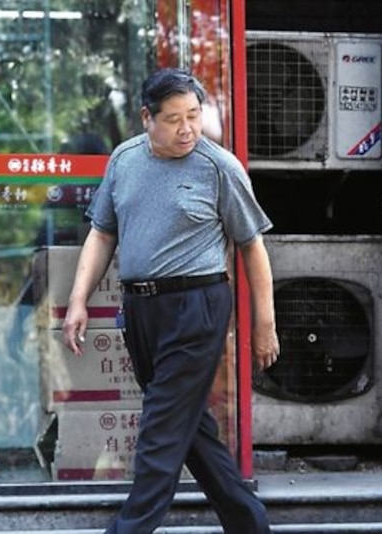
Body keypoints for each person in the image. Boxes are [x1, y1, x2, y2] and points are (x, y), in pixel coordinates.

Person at [62, 68, 278, 534]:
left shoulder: (219, 167)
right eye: (175, 119)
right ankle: (249, 524)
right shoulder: (124, 160)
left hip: (197, 307)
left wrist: (265, 324)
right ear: (147, 118)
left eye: (195, 116)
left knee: (160, 432)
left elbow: (252, 246)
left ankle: (128, 530)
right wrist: (78, 300)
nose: (188, 129)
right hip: (141, 309)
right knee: (188, 426)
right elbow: (102, 233)